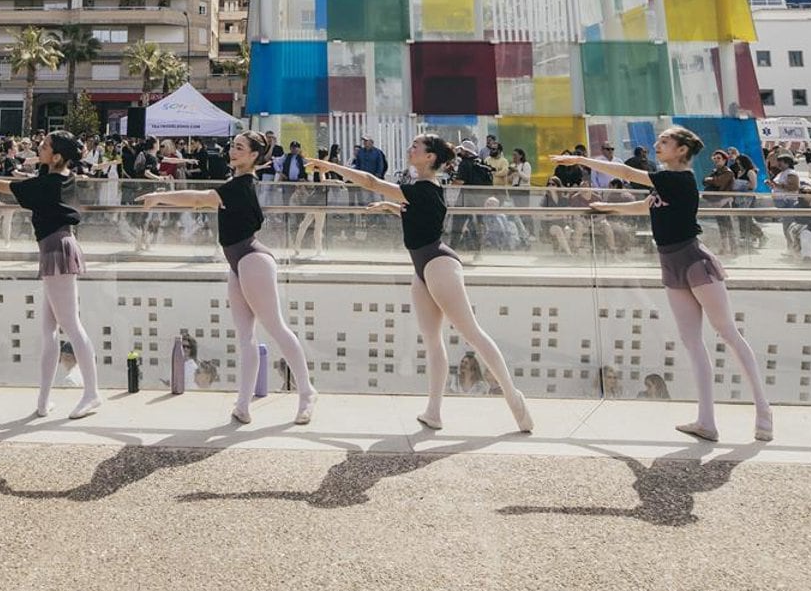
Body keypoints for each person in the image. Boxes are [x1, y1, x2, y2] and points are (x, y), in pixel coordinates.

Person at [552, 127, 775, 443]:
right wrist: (608, 208)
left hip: (695, 261)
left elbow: (626, 171)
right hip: (671, 263)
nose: (657, 145)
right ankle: (706, 421)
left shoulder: (678, 178)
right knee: (692, 343)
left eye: (665, 142)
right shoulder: (667, 183)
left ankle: (763, 410)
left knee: (728, 333)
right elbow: (646, 206)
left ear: (682, 150)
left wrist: (580, 159)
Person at [309, 137, 532, 434]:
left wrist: (328, 166)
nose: (410, 149)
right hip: (424, 268)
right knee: (432, 341)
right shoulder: (422, 190)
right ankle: (434, 412)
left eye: (417, 146)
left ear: (430, 158)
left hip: (438, 264)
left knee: (472, 333)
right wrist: (390, 206)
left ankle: (514, 399)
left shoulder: (424, 188)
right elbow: (417, 214)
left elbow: (370, 181)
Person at [141, 131, 317, 425]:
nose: (232, 151)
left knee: (276, 328)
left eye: (239, 148)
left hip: (252, 259)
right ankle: (243, 404)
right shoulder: (238, 183)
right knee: (245, 338)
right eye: (232, 147)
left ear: (253, 156)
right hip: (239, 262)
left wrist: (160, 196)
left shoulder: (241, 185)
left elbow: (200, 199)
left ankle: (307, 393)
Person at [0, 132, 102, 419]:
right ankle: (43, 400)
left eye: (44, 146)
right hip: (58, 247)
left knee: (71, 327)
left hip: (56, 249)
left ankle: (92, 394)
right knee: (50, 330)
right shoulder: (63, 177)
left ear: (55, 157)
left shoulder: (47, 184)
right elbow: (35, 171)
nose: (39, 147)